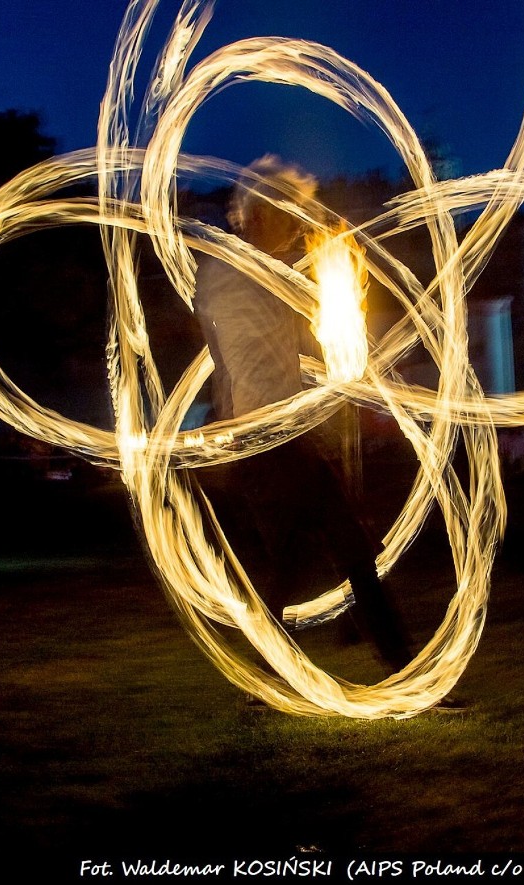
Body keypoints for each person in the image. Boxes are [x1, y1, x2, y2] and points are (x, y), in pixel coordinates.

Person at [194, 155, 412, 672]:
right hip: (265, 442)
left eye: (295, 218)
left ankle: (379, 663)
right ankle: (396, 667)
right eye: (285, 216)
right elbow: (232, 357)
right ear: (253, 214)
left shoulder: (258, 275)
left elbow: (244, 357)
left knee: (320, 554)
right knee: (329, 553)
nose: (293, 231)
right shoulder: (233, 273)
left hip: (276, 440)